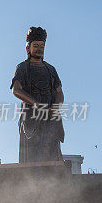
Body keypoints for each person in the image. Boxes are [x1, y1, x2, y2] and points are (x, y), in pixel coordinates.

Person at [11, 26, 64, 163]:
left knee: (51, 151)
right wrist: (35, 103)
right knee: (32, 155)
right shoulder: (22, 67)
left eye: (42, 46)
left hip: (50, 117)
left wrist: (56, 106)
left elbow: (59, 92)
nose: (40, 48)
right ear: (28, 48)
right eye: (36, 45)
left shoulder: (51, 69)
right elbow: (16, 90)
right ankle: (32, 180)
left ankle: (54, 178)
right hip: (31, 116)